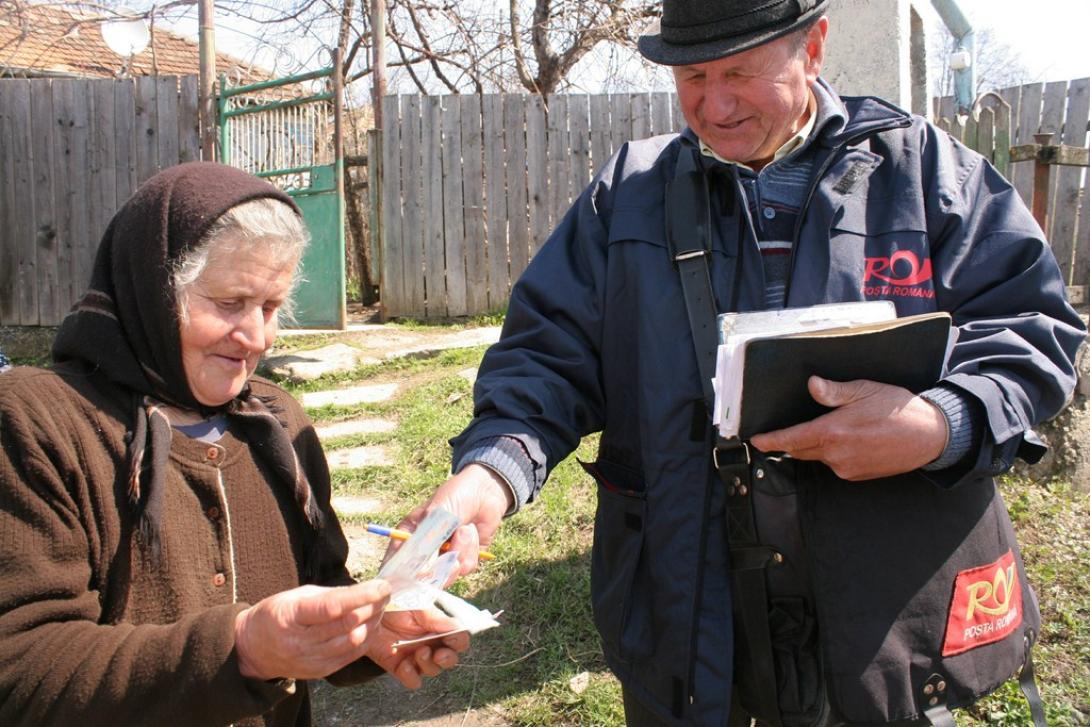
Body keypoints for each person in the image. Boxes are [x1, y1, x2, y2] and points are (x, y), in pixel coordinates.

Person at [397, 1, 1086, 725]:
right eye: (692, 75)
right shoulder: (629, 196)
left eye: (740, 72)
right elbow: (547, 356)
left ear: (813, 48)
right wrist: (491, 472)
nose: (714, 104)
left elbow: (1031, 327)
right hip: (687, 602)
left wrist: (942, 422)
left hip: (883, 609)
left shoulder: (928, 176)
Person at [0, 162, 469, 726]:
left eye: (270, 308)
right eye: (229, 303)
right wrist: (241, 648)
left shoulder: (276, 422)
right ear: (150, 291)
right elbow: (20, 670)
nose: (256, 338)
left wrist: (372, 626)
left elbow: (311, 599)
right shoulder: (35, 424)